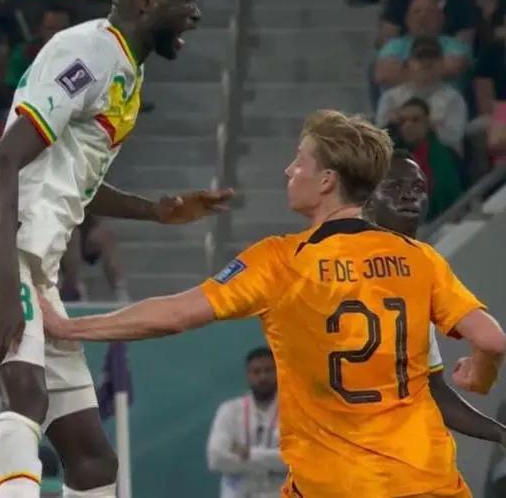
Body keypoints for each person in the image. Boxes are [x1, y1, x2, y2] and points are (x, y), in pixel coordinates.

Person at [42, 109, 506, 497]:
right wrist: (480, 373)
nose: (288, 171)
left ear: (327, 180)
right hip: (429, 482)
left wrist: (71, 327)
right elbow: (491, 340)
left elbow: (176, 315)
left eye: (299, 161)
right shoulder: (420, 259)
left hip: (334, 484)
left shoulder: (281, 261)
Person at [0, 0, 230, 498]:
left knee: (93, 458)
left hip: (31, 265)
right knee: (24, 394)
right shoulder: (89, 53)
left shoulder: (125, 69)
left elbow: (69, 181)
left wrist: (154, 210)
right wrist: (6, 288)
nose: (195, 13)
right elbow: (2, 165)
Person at [363, 149, 506, 447]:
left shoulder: (410, 273)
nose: (409, 195)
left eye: (418, 187)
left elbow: (431, 390)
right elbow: (492, 340)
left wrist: (499, 433)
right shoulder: (418, 267)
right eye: (394, 186)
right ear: (366, 199)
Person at [207, 347, 286, 498]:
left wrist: (249, 453)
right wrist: (272, 460)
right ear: (248, 375)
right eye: (256, 372)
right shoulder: (229, 411)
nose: (263, 377)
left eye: (268, 370)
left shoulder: (295, 413)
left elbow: (296, 461)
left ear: (278, 372)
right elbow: (216, 459)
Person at [376, 36, 468, 156]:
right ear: (408, 64)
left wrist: (425, 127)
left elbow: (454, 137)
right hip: (399, 156)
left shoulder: (454, 98)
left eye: (433, 58)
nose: (427, 63)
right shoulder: (391, 97)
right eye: (420, 58)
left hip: (441, 158)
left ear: (442, 64)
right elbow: (381, 135)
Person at [390, 97, 464, 220]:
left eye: (415, 120)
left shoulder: (448, 155)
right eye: (402, 121)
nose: (408, 126)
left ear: (428, 123)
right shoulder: (392, 158)